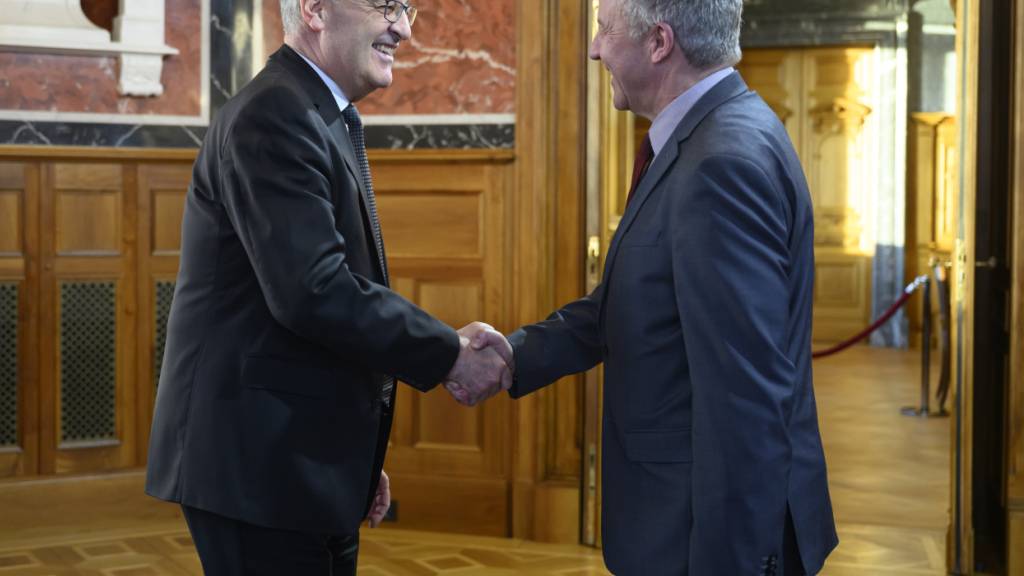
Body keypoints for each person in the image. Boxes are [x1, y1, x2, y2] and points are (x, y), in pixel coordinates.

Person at [466, 0, 838, 573]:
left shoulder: (721, 163)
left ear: (659, 42)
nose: (594, 49)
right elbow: (638, 304)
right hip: (677, 523)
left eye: (604, 30)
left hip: (697, 538)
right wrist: (515, 353)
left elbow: (746, 400)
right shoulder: (711, 134)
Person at [144, 0, 509, 573]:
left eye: (408, 6)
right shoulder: (275, 113)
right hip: (259, 466)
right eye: (387, 5)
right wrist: (449, 355)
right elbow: (314, 291)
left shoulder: (312, 110)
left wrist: (353, 454)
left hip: (299, 456)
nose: (406, 28)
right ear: (314, 9)